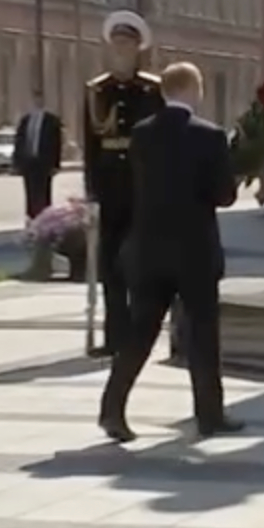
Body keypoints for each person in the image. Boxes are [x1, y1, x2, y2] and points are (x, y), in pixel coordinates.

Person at [98, 62, 243, 441]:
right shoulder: (209, 136)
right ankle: (209, 416)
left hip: (149, 251)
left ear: (164, 92)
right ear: (196, 90)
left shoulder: (142, 135)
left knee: (140, 333)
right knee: (202, 334)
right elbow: (223, 196)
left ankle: (112, 409)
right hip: (194, 251)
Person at [83, 10, 166, 358]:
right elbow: (91, 145)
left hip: (142, 188)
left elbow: (161, 142)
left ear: (137, 49)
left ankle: (139, 333)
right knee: (110, 267)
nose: (121, 51)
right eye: (116, 45)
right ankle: (114, 336)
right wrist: (91, 192)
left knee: (142, 265)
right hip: (110, 189)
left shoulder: (152, 90)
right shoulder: (95, 91)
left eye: (127, 45)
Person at [12, 94, 62, 220]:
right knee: (29, 191)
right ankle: (31, 217)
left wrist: (55, 164)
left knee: (44, 191)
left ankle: (45, 218)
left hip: (44, 162)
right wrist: (17, 162)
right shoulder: (25, 120)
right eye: (35, 100)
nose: (36, 103)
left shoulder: (51, 121)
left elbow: (56, 143)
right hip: (28, 161)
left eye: (39, 100)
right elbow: (19, 141)